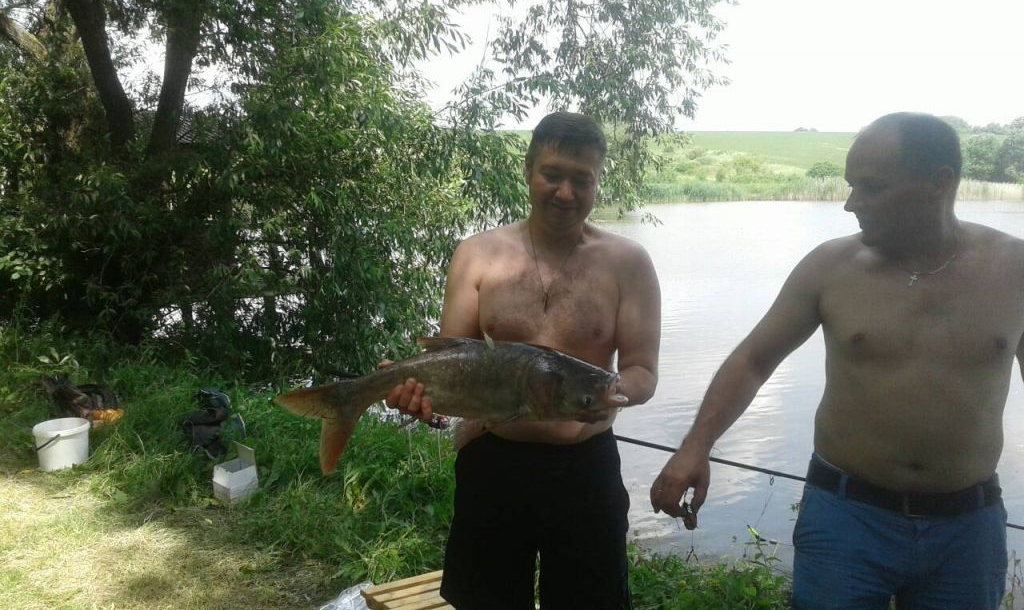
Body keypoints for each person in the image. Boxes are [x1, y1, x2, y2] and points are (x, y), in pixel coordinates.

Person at [650, 112, 1024, 609]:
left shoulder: (1013, 269)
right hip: (847, 517)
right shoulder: (830, 268)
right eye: (851, 186)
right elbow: (752, 360)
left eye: (872, 187)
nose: (851, 204)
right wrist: (695, 447)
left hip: (967, 529)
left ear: (940, 182)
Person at [383, 112, 660, 609]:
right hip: (493, 461)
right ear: (529, 171)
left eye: (581, 179)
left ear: (597, 181)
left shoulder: (628, 263)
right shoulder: (477, 254)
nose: (565, 192)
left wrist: (609, 395)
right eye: (552, 174)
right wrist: (420, 398)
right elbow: (454, 361)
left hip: (585, 469)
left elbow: (642, 370)